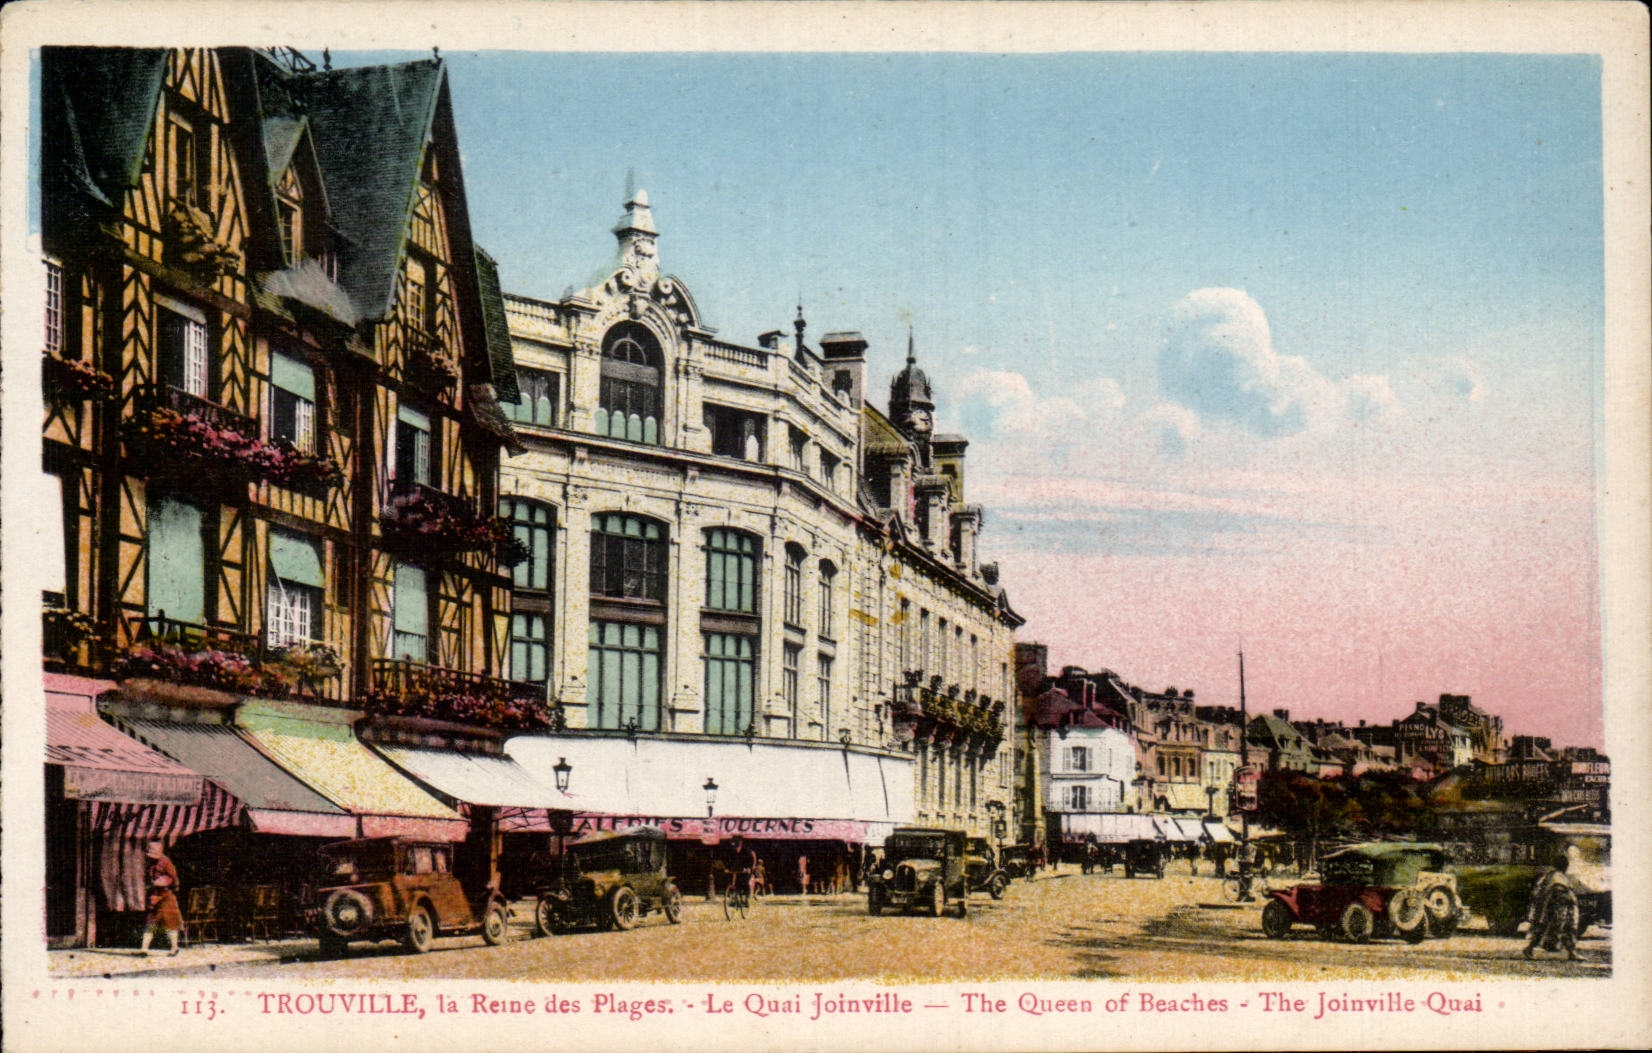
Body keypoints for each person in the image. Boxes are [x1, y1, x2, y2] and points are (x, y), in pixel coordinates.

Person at [1524, 855, 1581, 961]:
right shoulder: (1557, 877)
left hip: (1555, 908)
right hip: (1557, 908)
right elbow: (1558, 890)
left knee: (1565, 929)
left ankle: (1572, 952)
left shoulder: (1551, 875)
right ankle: (1529, 949)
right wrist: (1569, 898)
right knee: (1564, 929)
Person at [139, 841, 182, 957]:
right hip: (154, 896)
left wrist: (166, 884)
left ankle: (174, 947)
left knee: (170, 922)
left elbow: (174, 878)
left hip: (166, 895)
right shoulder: (150, 863)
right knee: (150, 922)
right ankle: (144, 949)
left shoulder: (166, 863)